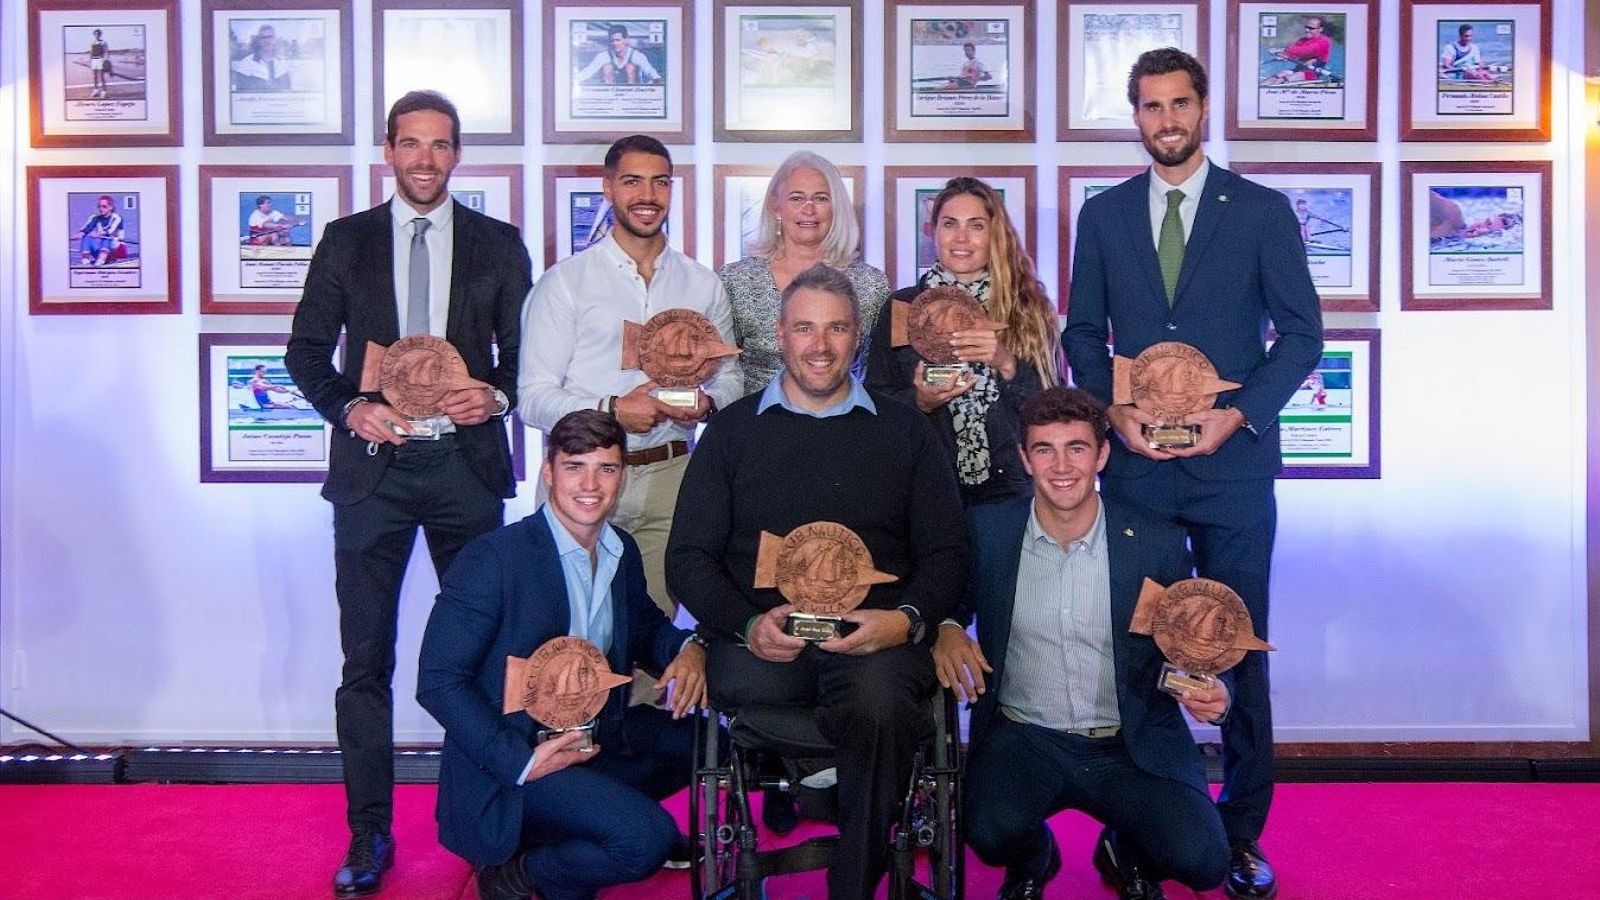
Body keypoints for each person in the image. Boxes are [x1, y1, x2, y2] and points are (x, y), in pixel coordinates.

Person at [1061, 48, 1323, 900]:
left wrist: (1237, 413)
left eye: (1179, 105)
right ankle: (1139, 829)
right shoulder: (1101, 218)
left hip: (1233, 469)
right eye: (1150, 107)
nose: (1166, 121)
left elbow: (1304, 334)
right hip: (1137, 471)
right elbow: (1080, 337)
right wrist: (1116, 412)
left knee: (1235, 646)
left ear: (1204, 110)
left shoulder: (1258, 211)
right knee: (1137, 650)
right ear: (1134, 116)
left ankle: (1240, 835)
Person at [284, 90, 532, 899]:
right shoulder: (345, 241)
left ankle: (489, 830)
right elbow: (306, 354)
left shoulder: (500, 245)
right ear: (388, 151)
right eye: (411, 145)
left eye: (441, 146)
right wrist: (351, 407)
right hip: (373, 476)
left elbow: (524, 360)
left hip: (466, 474)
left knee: (488, 660)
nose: (426, 159)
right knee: (367, 661)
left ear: (458, 155)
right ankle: (369, 834)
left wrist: (493, 397)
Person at [667, 263, 969, 900]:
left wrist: (908, 620)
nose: (820, 344)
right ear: (780, 332)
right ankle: (829, 791)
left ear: (858, 335)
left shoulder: (904, 430)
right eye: (805, 327)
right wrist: (743, 623)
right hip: (764, 651)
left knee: (882, 703)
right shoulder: (731, 432)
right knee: (785, 689)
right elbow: (689, 557)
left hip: (875, 645)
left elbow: (947, 553)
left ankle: (852, 883)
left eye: (836, 328)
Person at [936, 387, 1231, 900]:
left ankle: (1125, 848)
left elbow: (1192, 642)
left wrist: (1218, 693)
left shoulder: (1156, 541)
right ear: (1025, 459)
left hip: (1127, 741)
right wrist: (946, 627)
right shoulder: (989, 530)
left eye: (1076, 447)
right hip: (1027, 736)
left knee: (1203, 862)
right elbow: (949, 600)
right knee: (987, 831)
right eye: (1044, 449)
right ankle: (1035, 857)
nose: (1061, 465)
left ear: (1102, 453)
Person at [417, 410, 707, 900]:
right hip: (516, 759)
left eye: (606, 469)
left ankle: (581, 827)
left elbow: (646, 628)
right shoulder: (495, 558)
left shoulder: (622, 550)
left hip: (593, 738)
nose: (591, 484)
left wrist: (689, 647)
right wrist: (522, 762)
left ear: (623, 475)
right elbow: (439, 681)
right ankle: (522, 871)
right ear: (549, 472)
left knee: (700, 742)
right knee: (647, 841)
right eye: (575, 467)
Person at [520, 135, 739, 618]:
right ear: (607, 188)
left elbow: (732, 380)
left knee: (652, 631)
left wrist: (708, 404)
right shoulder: (566, 283)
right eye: (632, 181)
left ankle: (645, 699)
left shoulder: (702, 284)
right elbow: (533, 399)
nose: (647, 195)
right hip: (585, 473)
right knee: (568, 628)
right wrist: (613, 411)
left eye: (660, 182)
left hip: (673, 476)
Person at [867, 176, 1060, 509]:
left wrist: (1007, 364)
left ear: (995, 234)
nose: (961, 238)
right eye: (949, 224)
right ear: (933, 231)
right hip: (926, 483)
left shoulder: (1028, 307)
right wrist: (921, 401)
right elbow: (875, 405)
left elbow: (1054, 409)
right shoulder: (904, 307)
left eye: (976, 226)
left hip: (1010, 488)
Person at [720, 150, 889, 396]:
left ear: (836, 208)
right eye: (797, 198)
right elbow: (722, 371)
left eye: (820, 199)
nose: (808, 209)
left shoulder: (871, 284)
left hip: (845, 425)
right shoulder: (736, 280)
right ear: (775, 206)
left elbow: (884, 375)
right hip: (755, 424)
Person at [575, 25, 663, 84]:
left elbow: (652, 75)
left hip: (633, 97)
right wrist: (572, 81)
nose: (615, 44)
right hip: (611, 97)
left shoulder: (637, 56)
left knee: (630, 67)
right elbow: (588, 72)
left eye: (618, 40)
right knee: (607, 67)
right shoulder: (603, 56)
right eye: (612, 41)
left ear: (626, 40)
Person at [1261, 17, 1332, 85]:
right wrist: (1282, 55)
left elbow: (1304, 51)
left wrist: (1283, 49)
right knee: (1277, 76)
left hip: (1313, 74)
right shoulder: (1302, 40)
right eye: (1306, 27)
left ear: (1320, 29)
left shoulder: (1324, 41)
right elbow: (1292, 54)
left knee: (1283, 79)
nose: (1307, 30)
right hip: (1298, 70)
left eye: (1311, 28)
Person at [232, 24, 293, 91]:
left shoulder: (282, 64)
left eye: (270, 37)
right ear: (258, 40)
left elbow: (287, 91)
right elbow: (240, 93)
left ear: (275, 39)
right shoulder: (246, 64)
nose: (267, 41)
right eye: (263, 37)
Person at [77, 195, 124, 267]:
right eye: (99, 206)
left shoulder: (117, 218)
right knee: (86, 235)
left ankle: (101, 260)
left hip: (117, 251)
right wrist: (79, 234)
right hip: (103, 250)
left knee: (107, 237)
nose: (101, 209)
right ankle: (86, 261)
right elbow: (87, 228)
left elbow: (110, 231)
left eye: (104, 206)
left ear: (110, 207)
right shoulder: (95, 217)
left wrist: (99, 233)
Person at [87, 29, 110, 98]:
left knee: (101, 77)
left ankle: (104, 91)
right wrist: (90, 61)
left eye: (98, 34)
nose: (97, 35)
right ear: (94, 35)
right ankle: (96, 90)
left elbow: (106, 52)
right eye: (95, 34)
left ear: (100, 35)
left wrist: (105, 60)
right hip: (94, 60)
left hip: (100, 59)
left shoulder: (103, 42)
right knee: (94, 77)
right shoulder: (92, 43)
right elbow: (91, 53)